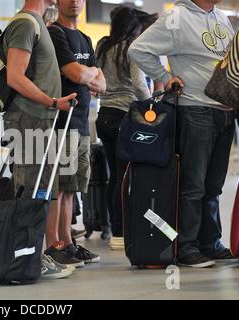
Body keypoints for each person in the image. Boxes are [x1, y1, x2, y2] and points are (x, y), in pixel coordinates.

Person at [129, 0, 236, 268]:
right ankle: (186, 246)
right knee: (194, 185)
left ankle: (210, 242)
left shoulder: (221, 18)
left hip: (225, 109)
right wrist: (165, 77)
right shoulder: (176, 16)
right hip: (195, 109)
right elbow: (138, 49)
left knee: (213, 186)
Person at [2, 0, 77, 279]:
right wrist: (52, 101)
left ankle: (34, 255)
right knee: (30, 189)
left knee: (42, 188)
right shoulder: (25, 24)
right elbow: (14, 77)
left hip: (41, 120)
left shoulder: (37, 23)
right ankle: (24, 258)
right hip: (29, 119)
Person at [45, 0, 105, 268]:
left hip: (80, 123)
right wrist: (87, 74)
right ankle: (53, 245)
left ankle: (68, 242)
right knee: (56, 187)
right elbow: (73, 72)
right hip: (59, 121)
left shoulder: (83, 38)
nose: (75, 2)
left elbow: (101, 83)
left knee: (71, 189)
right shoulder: (54, 32)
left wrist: (87, 75)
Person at [95, 6, 152, 251]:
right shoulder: (132, 48)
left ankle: (113, 228)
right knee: (124, 176)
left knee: (113, 176)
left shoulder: (103, 46)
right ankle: (121, 231)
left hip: (104, 114)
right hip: (124, 116)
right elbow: (139, 85)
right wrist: (151, 104)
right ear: (133, 26)